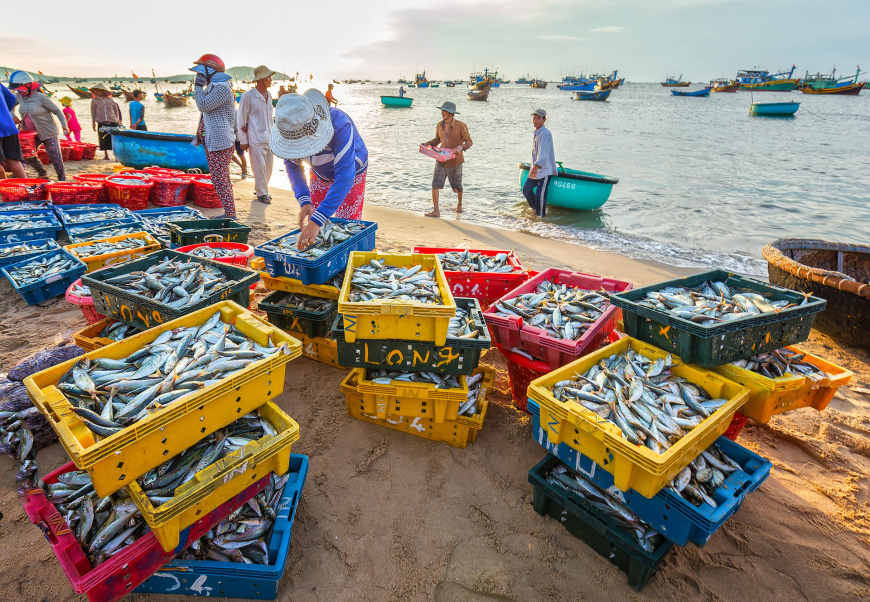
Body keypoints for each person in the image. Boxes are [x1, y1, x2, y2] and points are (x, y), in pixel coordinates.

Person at [270, 89, 368, 250]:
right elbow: (293, 166)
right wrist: (304, 201)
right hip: (319, 171)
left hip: (352, 170)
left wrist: (317, 220)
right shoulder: (290, 129)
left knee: (347, 224)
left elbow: (345, 177)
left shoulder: (340, 124)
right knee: (316, 220)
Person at [190, 53, 237, 218]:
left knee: (219, 180)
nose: (199, 76)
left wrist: (197, 87)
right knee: (221, 179)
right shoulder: (214, 87)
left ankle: (231, 214)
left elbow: (202, 105)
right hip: (213, 142)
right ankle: (230, 212)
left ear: (211, 71)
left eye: (201, 73)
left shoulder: (222, 88)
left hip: (220, 143)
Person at [9, 71, 69, 180]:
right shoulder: (18, 96)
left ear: (28, 86)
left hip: (48, 131)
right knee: (28, 154)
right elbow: (9, 106)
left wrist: (65, 125)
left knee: (55, 157)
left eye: (20, 88)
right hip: (29, 133)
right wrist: (12, 115)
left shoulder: (41, 97)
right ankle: (42, 173)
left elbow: (57, 111)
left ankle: (62, 178)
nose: (19, 91)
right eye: (18, 89)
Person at [422, 101, 472, 217]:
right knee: (435, 184)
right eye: (442, 110)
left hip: (455, 160)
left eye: (445, 111)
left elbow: (469, 142)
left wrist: (461, 147)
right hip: (441, 158)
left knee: (457, 187)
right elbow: (437, 140)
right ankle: (436, 211)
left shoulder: (461, 125)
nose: (442, 113)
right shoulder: (439, 125)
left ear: (451, 113)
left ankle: (459, 205)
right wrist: (427, 144)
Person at [237, 65, 275, 204]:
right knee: (258, 166)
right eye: (268, 77)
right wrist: (243, 140)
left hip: (269, 137)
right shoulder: (248, 96)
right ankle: (262, 193)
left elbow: (270, 118)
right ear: (260, 80)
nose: (271, 80)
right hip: (255, 137)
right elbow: (241, 118)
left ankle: (262, 189)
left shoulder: (269, 96)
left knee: (269, 167)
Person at [523, 108, 556, 218]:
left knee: (540, 196)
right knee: (526, 189)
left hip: (544, 170)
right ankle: (535, 210)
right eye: (534, 118)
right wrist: (533, 166)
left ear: (544, 120)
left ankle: (541, 218)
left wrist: (536, 166)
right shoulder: (538, 132)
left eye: (538, 118)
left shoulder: (545, 134)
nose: (535, 121)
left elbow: (543, 152)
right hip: (536, 169)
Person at [0, 81, 26, 179]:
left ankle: (3, 188)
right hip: (8, 125)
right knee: (12, 159)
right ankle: (25, 186)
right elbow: (11, 98)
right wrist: (4, 113)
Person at [89, 83, 122, 160]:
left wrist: (118, 120)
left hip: (113, 121)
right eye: (96, 91)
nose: (97, 92)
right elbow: (93, 112)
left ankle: (116, 156)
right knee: (103, 139)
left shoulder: (110, 99)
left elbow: (115, 110)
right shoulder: (94, 101)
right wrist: (93, 123)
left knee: (114, 139)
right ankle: (106, 154)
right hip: (101, 121)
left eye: (99, 91)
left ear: (104, 91)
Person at [232, 107, 249, 179]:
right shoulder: (236, 111)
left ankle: (244, 171)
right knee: (239, 155)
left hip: (237, 136)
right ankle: (243, 169)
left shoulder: (235, 111)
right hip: (235, 135)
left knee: (240, 155)